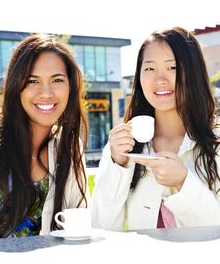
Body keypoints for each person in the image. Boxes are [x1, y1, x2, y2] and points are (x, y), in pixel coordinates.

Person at [91, 26, 220, 231]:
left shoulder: (217, 143)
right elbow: (101, 226)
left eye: (173, 68)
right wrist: (118, 165)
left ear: (193, 72)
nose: (160, 79)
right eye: (149, 68)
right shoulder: (123, 146)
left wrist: (183, 182)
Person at [0, 34, 88, 238]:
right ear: (17, 87)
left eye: (57, 80)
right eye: (33, 81)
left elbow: (81, 220)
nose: (46, 93)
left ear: (71, 87)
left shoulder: (68, 147)